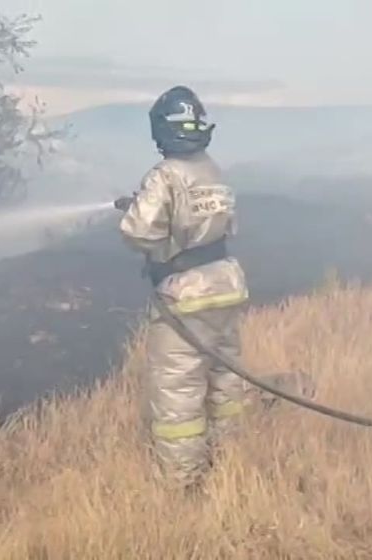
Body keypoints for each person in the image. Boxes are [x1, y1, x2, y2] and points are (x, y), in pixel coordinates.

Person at [113, 85, 249, 488]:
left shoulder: (165, 175)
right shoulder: (212, 170)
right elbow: (221, 223)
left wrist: (142, 208)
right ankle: (232, 462)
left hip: (185, 297)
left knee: (178, 391)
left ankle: (181, 484)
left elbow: (138, 233)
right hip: (225, 286)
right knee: (224, 379)